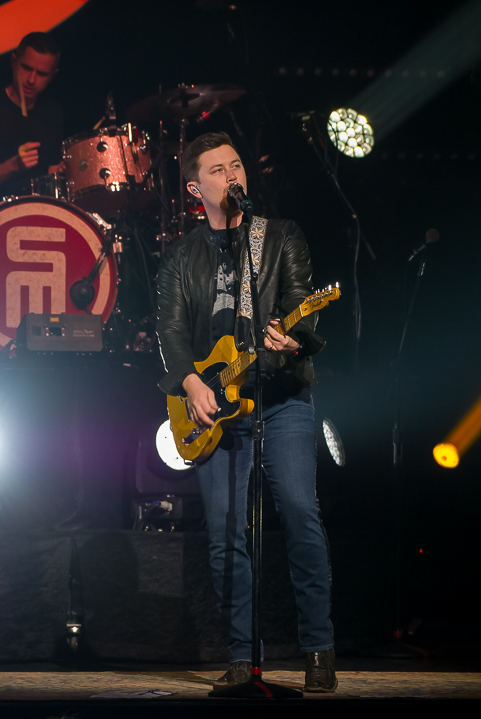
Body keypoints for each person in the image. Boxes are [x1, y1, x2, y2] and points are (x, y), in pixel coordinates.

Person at [155, 132, 337, 692]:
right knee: (226, 534)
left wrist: (295, 338)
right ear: (195, 188)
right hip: (215, 409)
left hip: (281, 399)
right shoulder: (180, 257)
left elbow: (301, 305)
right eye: (218, 170)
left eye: (236, 165)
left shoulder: (279, 237)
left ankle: (318, 650)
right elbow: (170, 332)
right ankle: (242, 655)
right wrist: (192, 384)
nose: (232, 175)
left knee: (301, 515)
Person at [0, 32, 64, 194]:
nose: (31, 80)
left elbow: (51, 173)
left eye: (41, 74)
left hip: (38, 205)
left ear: (52, 75)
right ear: (13, 61)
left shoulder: (52, 113)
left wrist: (64, 172)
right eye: (26, 68)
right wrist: (13, 165)